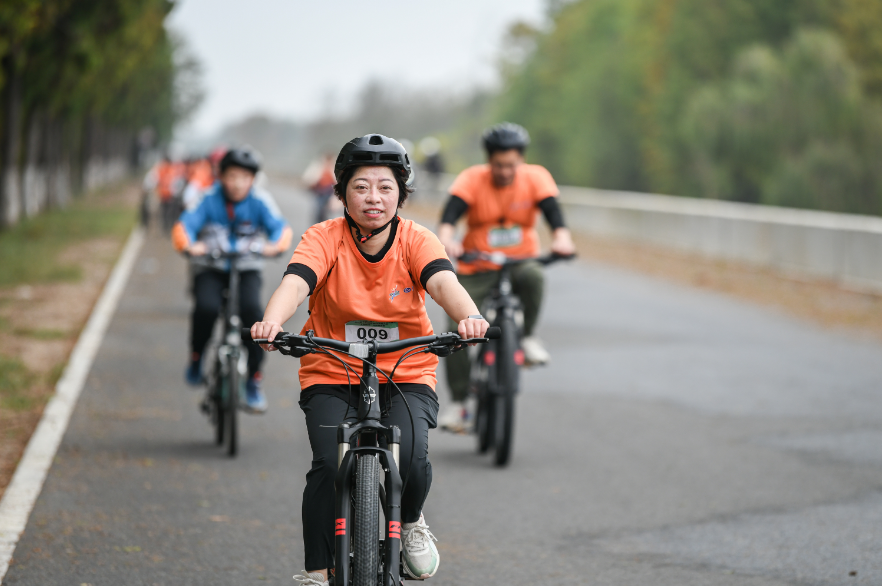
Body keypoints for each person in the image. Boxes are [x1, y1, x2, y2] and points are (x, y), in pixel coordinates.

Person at [250, 134, 489, 585]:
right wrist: (271, 322)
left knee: (412, 457)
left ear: (401, 193)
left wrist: (470, 317)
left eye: (385, 187)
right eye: (360, 187)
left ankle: (411, 520)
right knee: (327, 463)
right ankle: (317, 572)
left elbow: (443, 282)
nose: (373, 197)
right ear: (342, 193)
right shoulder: (323, 237)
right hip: (331, 367)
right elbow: (297, 282)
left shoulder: (416, 239)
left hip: (406, 368)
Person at [436, 122, 576, 432]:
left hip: (520, 260)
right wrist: (447, 239)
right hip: (477, 264)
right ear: (489, 161)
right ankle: (459, 405)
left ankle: (527, 338)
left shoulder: (536, 177)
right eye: (498, 165)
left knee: (535, 276)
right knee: (455, 328)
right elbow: (449, 216)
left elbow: (553, 214)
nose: (505, 171)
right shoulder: (472, 179)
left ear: (521, 160)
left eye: (511, 165)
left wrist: (562, 238)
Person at [172, 148, 293, 413]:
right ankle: (196, 356)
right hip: (211, 266)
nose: (238, 183)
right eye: (232, 176)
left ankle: (254, 379)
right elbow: (184, 225)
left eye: (245, 177)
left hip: (247, 267)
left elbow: (281, 228)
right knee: (205, 308)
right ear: (221, 176)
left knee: (254, 314)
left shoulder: (260, 200)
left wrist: (275, 245)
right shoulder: (207, 198)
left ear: (253, 179)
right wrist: (189, 245)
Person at [302, 153, 337, 224]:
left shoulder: (334, 168)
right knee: (320, 209)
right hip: (320, 191)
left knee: (325, 210)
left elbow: (336, 181)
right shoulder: (318, 166)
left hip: (330, 192)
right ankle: (320, 224)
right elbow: (309, 177)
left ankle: (324, 224)